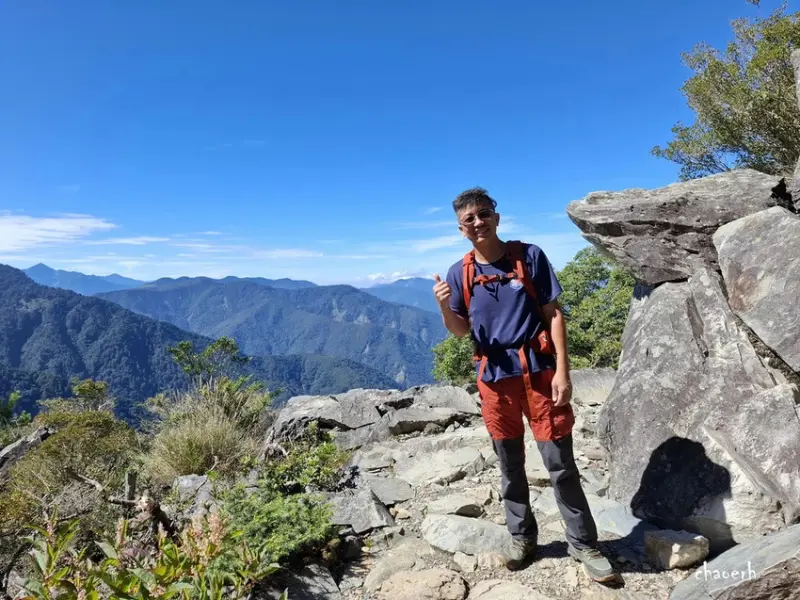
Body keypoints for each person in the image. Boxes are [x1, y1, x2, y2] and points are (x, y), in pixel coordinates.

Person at [431, 187, 615, 582]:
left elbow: (554, 315)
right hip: (495, 380)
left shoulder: (529, 257)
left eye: (483, 215)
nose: (478, 223)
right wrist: (444, 305)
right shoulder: (458, 273)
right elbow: (460, 332)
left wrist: (564, 370)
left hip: (539, 374)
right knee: (509, 465)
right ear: (461, 229)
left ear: (496, 216)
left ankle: (584, 544)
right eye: (469, 220)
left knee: (560, 463)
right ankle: (522, 539)